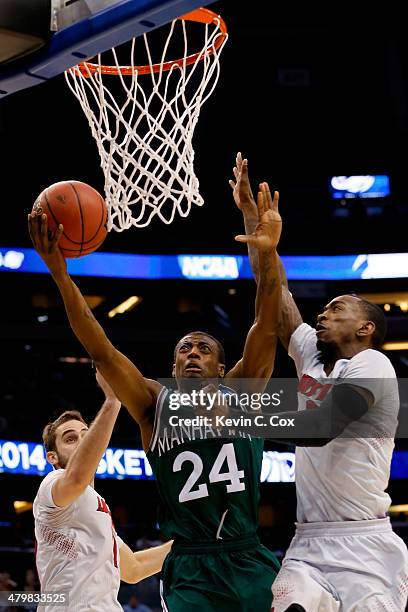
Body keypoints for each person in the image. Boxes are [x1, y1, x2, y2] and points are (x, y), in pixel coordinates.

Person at [28, 181, 282, 612]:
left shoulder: (243, 394)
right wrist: (59, 273)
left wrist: (268, 250)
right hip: (190, 568)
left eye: (204, 348)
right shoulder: (151, 405)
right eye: (185, 348)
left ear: (223, 369)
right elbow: (101, 350)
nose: (193, 353)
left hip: (246, 555)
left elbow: (268, 323)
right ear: (172, 368)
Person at [231, 152, 408, 611]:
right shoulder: (313, 353)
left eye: (337, 309)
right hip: (307, 542)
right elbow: (278, 296)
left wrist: (235, 411)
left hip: (365, 542)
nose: (322, 314)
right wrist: (261, 237)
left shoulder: (374, 367)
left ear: (366, 328)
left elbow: (318, 425)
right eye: (324, 310)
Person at [33, 370, 172, 611]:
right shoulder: (51, 484)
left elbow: (135, 568)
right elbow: (76, 478)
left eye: (86, 436)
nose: (82, 441)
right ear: (52, 457)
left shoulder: (97, 510)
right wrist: (112, 400)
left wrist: (192, 542)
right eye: (70, 439)